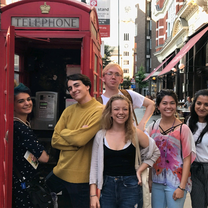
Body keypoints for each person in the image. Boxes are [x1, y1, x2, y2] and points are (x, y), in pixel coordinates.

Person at [89, 94, 160, 208]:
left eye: (125, 109)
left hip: (131, 187)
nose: (121, 112)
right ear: (110, 112)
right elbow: (94, 166)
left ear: (129, 112)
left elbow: (155, 152)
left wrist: (140, 170)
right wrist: (93, 195)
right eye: (116, 109)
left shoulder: (135, 133)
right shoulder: (100, 135)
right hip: (107, 187)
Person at [46, 73, 103, 208]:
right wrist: (76, 141)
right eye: (70, 88)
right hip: (60, 172)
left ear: (87, 86)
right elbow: (54, 140)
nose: (73, 90)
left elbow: (80, 139)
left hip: (81, 178)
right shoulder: (68, 110)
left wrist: (65, 133)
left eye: (76, 85)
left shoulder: (99, 110)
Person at [146, 89, 196, 208]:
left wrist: (182, 186)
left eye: (172, 103)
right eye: (164, 103)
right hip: (157, 181)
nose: (168, 106)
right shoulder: (152, 128)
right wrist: (150, 179)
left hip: (176, 182)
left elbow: (187, 159)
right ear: (158, 106)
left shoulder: (183, 129)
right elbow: (151, 156)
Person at [13, 83, 49, 208]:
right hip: (24, 183)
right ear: (12, 105)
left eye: (28, 99)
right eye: (21, 101)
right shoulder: (20, 128)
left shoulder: (21, 125)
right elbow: (44, 158)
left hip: (20, 180)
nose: (27, 103)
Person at [100, 63, 155, 131]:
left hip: (131, 137)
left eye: (117, 74)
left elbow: (151, 104)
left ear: (121, 80)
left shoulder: (128, 94)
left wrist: (142, 124)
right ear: (103, 78)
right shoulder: (98, 101)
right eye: (109, 73)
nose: (113, 77)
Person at [187, 89, 208, 208]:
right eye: (199, 103)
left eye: (206, 104)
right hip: (195, 170)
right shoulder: (190, 122)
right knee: (198, 205)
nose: (202, 107)